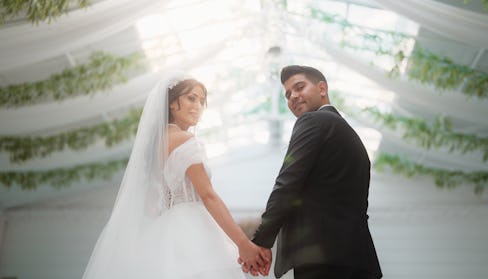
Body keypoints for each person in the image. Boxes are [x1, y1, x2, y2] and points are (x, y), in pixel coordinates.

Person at [82, 73, 270, 279]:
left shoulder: (154, 147)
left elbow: (150, 205)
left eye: (202, 101)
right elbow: (208, 196)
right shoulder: (185, 140)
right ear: (172, 103)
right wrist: (243, 244)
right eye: (191, 98)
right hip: (194, 231)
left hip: (165, 232)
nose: (198, 105)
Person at [242, 65, 382, 279]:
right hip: (359, 258)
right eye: (288, 94)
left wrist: (261, 240)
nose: (293, 97)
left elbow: (287, 183)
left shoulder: (312, 121)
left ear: (322, 88)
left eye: (299, 87)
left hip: (324, 259)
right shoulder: (350, 136)